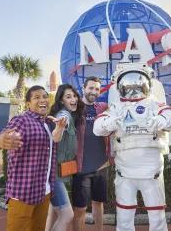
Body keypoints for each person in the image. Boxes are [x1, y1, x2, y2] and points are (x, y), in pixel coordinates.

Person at [94, 63, 171, 231]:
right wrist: (108, 123)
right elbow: (97, 127)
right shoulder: (117, 108)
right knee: (124, 216)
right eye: (129, 84)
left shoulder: (156, 105)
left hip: (152, 171)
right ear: (120, 86)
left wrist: (162, 121)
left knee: (157, 216)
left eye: (138, 83)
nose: (134, 89)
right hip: (125, 172)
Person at [0, 85, 65, 231]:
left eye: (44, 96)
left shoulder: (47, 124)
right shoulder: (22, 121)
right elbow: (1, 138)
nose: (42, 100)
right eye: (36, 97)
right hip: (23, 194)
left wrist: (60, 128)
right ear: (28, 104)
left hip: (44, 192)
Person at [72, 76, 110, 231]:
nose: (94, 91)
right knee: (80, 209)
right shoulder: (75, 109)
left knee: (98, 203)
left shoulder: (102, 108)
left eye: (96, 89)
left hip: (101, 166)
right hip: (81, 167)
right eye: (91, 88)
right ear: (84, 88)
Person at [45, 84, 84, 231]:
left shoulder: (72, 114)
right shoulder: (64, 114)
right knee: (67, 215)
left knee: (54, 212)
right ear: (61, 101)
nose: (73, 99)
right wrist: (61, 126)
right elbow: (60, 126)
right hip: (54, 175)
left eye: (74, 95)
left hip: (61, 172)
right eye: (68, 97)